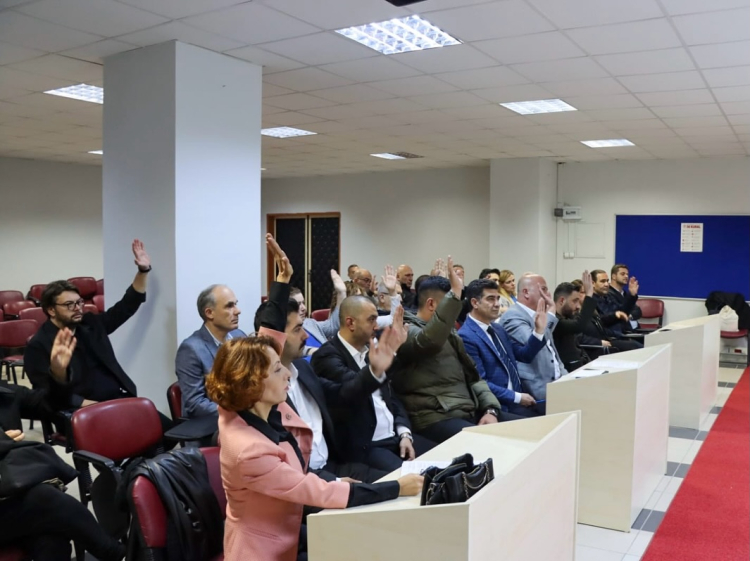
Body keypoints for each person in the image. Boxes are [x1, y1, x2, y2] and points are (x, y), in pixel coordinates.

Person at [207, 237, 422, 561]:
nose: (287, 374)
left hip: (292, 522)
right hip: (269, 549)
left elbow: (267, 343)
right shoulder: (250, 450)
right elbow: (316, 492)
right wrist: (397, 487)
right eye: (277, 369)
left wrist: (282, 282)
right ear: (252, 383)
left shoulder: (243, 406)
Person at [253, 297, 386, 483]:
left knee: (399, 481)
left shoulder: (303, 369)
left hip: (331, 466)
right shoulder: (263, 393)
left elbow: (342, 393)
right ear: (276, 337)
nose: (306, 336)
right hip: (304, 479)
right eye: (298, 329)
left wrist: (374, 372)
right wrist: (336, 483)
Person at [391, 257, 512, 444]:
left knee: (530, 428)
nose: (455, 311)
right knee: (492, 442)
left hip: (466, 409)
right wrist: (455, 294)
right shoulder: (405, 330)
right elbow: (428, 342)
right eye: (449, 304)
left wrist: (490, 409)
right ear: (431, 304)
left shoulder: (450, 332)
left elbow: (474, 377)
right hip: (435, 416)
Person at [0, 381, 126, 561]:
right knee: (44, 497)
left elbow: (49, 404)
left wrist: (58, 378)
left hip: (13, 499)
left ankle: (115, 552)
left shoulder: (5, 393)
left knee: (53, 540)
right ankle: (114, 552)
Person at [25, 240, 153, 414]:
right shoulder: (38, 345)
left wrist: (143, 270)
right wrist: (90, 404)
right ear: (51, 310)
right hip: (81, 411)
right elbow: (45, 393)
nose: (77, 308)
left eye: (79, 302)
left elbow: (126, 306)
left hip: (117, 399)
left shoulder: (90, 323)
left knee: (168, 427)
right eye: (69, 304)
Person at [312, 298, 434, 472]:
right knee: (418, 478)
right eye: (371, 320)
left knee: (448, 458)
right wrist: (379, 366)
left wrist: (404, 433)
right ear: (350, 323)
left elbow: (391, 398)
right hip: (367, 446)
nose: (377, 326)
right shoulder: (327, 356)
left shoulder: (371, 350)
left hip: (396, 438)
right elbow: (352, 391)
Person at [458, 279, 546, 417]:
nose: (497, 304)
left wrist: (539, 331)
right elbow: (480, 382)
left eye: (498, 298)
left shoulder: (498, 329)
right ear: (475, 303)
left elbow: (524, 355)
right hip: (499, 405)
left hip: (519, 399)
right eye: (490, 299)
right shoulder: (466, 336)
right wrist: (516, 397)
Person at [176, 284, 245, 419]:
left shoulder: (240, 336)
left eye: (236, 304)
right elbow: (195, 404)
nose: (238, 311)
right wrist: (241, 413)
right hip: (213, 423)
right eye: (229, 306)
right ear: (209, 313)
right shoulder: (191, 349)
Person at [499, 274, 568, 402]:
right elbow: (534, 342)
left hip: (558, 381)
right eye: (544, 289)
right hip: (537, 387)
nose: (548, 294)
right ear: (526, 292)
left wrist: (565, 376)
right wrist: (551, 313)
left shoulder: (539, 313)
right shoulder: (513, 316)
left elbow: (552, 350)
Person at [290, 270, 346, 356]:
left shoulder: (309, 323)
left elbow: (333, 326)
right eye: (298, 305)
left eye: (303, 303)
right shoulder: (283, 330)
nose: (304, 308)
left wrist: (341, 293)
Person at [553, 272, 597, 372]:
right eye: (574, 301)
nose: (578, 306)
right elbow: (579, 325)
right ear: (562, 301)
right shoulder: (555, 321)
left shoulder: (568, 317)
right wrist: (589, 295)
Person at [607, 264, 642, 330]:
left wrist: (628, 316)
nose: (626, 276)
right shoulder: (607, 293)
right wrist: (626, 313)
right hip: (622, 331)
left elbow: (638, 311)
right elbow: (618, 311)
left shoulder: (625, 293)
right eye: (622, 274)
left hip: (635, 330)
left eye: (627, 274)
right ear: (614, 276)